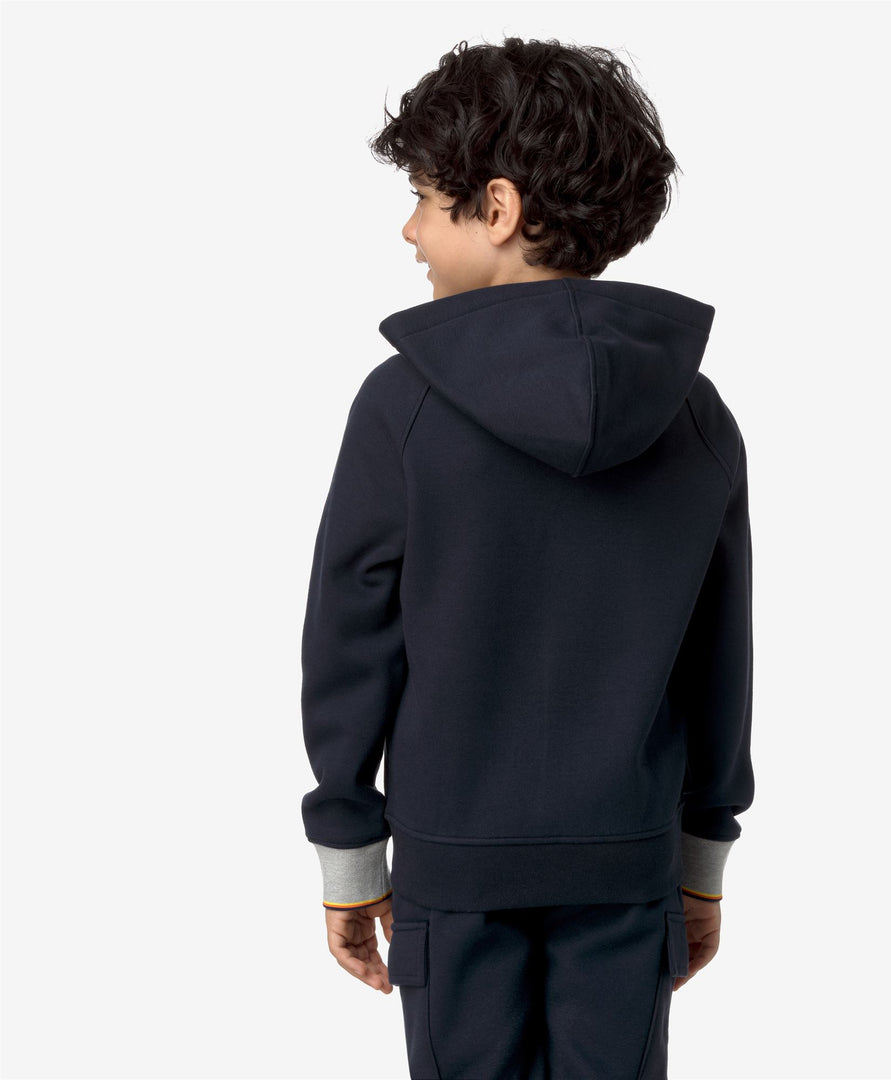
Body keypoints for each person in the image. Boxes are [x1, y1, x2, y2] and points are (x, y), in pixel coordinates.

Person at [300, 35, 755, 1080]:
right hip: (628, 861)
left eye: (423, 198)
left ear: (496, 208)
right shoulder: (695, 414)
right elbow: (721, 656)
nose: (409, 229)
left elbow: (349, 644)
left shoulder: (402, 407)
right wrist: (702, 856)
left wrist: (349, 851)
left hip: (454, 872)